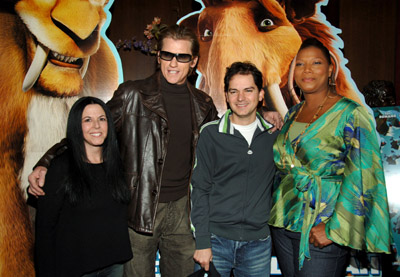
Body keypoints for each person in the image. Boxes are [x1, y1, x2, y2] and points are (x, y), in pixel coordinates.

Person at [28, 25, 282, 276]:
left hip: (185, 210)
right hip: (140, 208)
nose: (173, 63)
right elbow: (90, 131)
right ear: (158, 56)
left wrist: (264, 113)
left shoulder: (202, 104)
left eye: (182, 57)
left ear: (193, 62)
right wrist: (46, 162)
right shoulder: (131, 95)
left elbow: (230, 130)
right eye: (167, 55)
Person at [269, 37, 391, 276]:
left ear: (330, 69)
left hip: (322, 227)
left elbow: (363, 176)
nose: (307, 70)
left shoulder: (351, 113)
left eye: (316, 63)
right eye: (300, 64)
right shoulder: (292, 113)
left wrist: (336, 227)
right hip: (283, 222)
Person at [191, 62, 278, 276]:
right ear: (227, 96)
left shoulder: (275, 136)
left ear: (260, 95)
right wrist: (202, 241)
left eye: (248, 90)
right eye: (234, 91)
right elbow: (199, 189)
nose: (241, 98)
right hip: (215, 241)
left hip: (257, 244)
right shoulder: (211, 134)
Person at [34, 97, 132, 277]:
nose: (96, 126)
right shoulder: (60, 167)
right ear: (76, 126)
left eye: (102, 119)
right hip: (76, 269)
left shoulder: (118, 164)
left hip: (114, 265)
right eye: (87, 120)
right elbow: (45, 228)